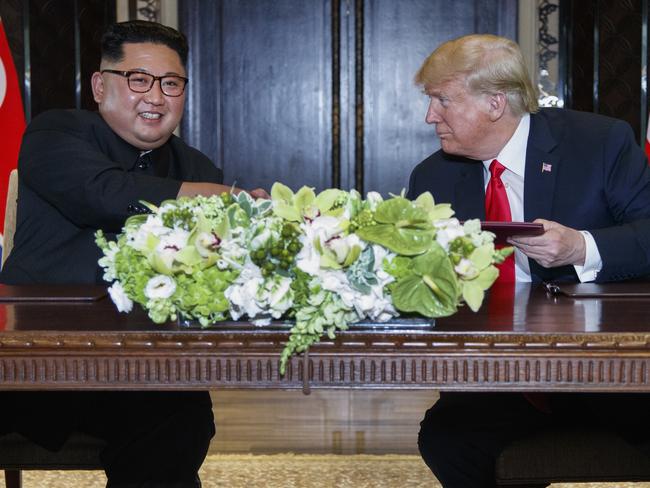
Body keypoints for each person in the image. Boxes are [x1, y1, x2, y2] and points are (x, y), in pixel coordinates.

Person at [0, 20, 265, 488]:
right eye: (139, 80)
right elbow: (105, 194)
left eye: (172, 83)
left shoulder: (197, 166)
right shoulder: (56, 132)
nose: (156, 97)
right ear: (101, 86)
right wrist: (221, 198)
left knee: (182, 418)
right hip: (28, 362)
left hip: (137, 369)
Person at [407, 34, 650, 488]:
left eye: (442, 100)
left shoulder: (599, 144)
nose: (429, 116)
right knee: (447, 439)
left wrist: (582, 247)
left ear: (495, 104)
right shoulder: (433, 175)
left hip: (609, 371)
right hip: (498, 377)